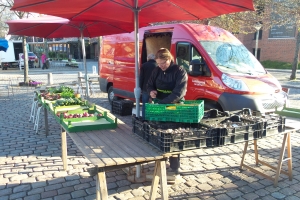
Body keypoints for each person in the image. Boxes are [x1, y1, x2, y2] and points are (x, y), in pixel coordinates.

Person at [147, 48, 188, 174]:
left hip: (174, 107)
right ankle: (160, 162)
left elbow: (179, 93)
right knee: (158, 135)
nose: (161, 66)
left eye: (163, 63)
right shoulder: (156, 70)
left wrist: (163, 103)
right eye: (159, 63)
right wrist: (151, 91)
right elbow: (149, 84)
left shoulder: (179, 71)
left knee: (173, 136)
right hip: (159, 106)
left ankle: (174, 166)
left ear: (169, 59)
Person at [139, 53, 157, 120]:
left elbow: (141, 78)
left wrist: (140, 87)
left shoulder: (144, 65)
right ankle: (153, 118)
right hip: (155, 88)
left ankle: (144, 118)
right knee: (155, 104)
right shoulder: (157, 65)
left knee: (145, 104)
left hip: (145, 88)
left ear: (148, 58)